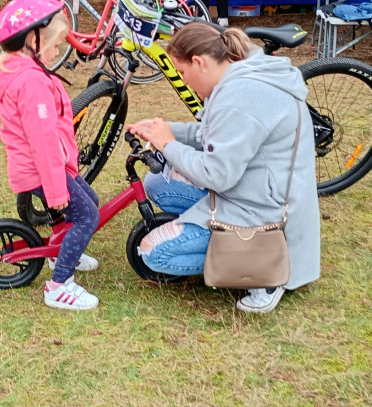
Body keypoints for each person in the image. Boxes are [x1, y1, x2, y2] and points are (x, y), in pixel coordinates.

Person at [127, 22, 320, 314]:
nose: (184, 80)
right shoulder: (240, 74)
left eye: (182, 73)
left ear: (199, 62)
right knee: (158, 183)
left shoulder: (241, 97)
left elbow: (217, 175)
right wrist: (167, 131)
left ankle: (264, 272)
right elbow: (216, 137)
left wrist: (168, 144)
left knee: (154, 253)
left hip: (264, 214)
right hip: (252, 191)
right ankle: (207, 232)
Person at [0, 0, 100, 310]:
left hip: (41, 166)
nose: (59, 50)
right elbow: (42, 141)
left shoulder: (21, 69)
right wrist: (56, 188)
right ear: (32, 40)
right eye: (56, 44)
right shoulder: (30, 82)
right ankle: (59, 285)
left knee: (89, 202)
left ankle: (63, 249)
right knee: (87, 216)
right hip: (42, 168)